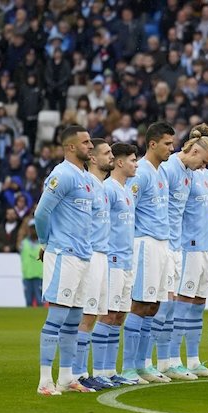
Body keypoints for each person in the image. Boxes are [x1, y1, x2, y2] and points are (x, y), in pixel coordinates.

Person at [34, 125, 95, 395]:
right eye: (86, 142)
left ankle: (67, 377)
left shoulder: (84, 176)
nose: (90, 146)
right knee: (57, 317)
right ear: (70, 147)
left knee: (73, 320)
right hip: (64, 254)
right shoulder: (62, 174)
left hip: (82, 255)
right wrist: (46, 243)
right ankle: (45, 381)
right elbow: (41, 213)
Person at [158, 126, 208, 380]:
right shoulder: (174, 168)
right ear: (197, 144)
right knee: (178, 304)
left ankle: (192, 359)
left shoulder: (204, 174)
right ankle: (170, 358)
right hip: (186, 245)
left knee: (198, 304)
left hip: (207, 246)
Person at [121, 122, 174, 384]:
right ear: (152, 144)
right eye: (167, 144)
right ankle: (129, 367)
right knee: (140, 304)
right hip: (145, 244)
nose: (171, 149)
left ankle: (143, 364)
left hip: (163, 243)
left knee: (154, 306)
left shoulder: (162, 172)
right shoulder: (140, 172)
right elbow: (128, 211)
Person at [72, 138, 116, 391]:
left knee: (95, 315)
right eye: (106, 153)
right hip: (90, 256)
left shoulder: (103, 186)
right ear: (93, 158)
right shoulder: (86, 184)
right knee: (86, 316)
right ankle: (76, 373)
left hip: (104, 255)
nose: (111, 156)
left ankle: (83, 371)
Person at [95, 143, 139, 385]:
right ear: (120, 163)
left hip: (126, 260)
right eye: (133, 160)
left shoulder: (127, 190)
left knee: (120, 315)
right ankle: (100, 372)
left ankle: (110, 371)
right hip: (112, 260)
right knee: (108, 314)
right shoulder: (108, 189)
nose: (136, 164)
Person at [19, 219, 43, 307]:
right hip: (27, 275)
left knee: (40, 302)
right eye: (32, 228)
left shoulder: (43, 243)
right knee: (28, 302)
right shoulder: (23, 243)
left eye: (35, 228)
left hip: (39, 276)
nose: (34, 230)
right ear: (29, 229)